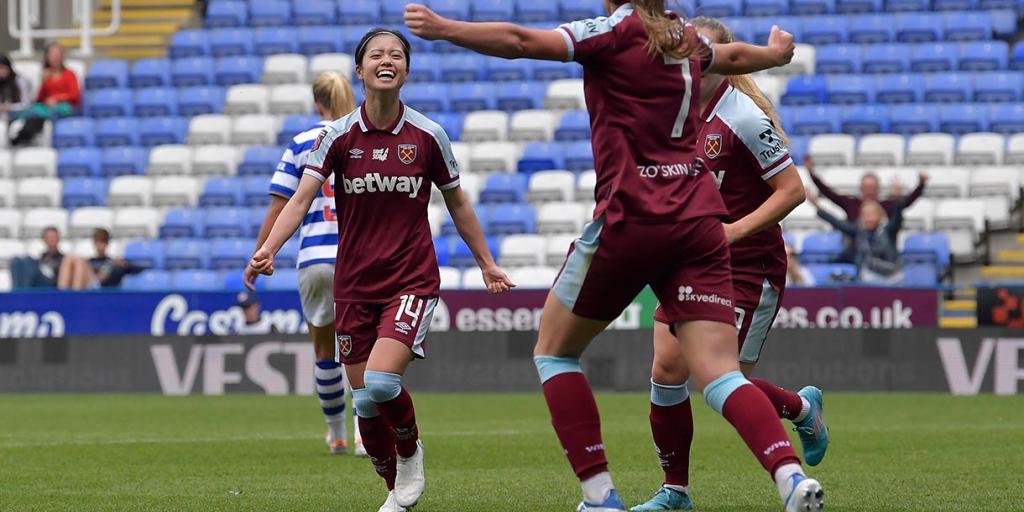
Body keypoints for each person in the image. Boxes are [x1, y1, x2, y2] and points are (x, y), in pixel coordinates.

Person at [405, 3, 824, 512]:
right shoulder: (682, 37)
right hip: (696, 226)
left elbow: (519, 41)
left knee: (554, 352)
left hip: (635, 218)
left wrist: (443, 28)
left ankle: (600, 495)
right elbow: (732, 54)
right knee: (715, 373)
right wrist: (776, 54)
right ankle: (788, 477)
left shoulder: (613, 33)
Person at [247, 28, 514, 512]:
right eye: (376, 54)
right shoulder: (336, 136)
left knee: (383, 383)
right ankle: (396, 493)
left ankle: (411, 453)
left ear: (406, 70)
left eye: (396, 54)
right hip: (353, 284)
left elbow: (458, 204)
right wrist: (269, 248)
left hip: (410, 280)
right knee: (366, 403)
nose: (386, 60)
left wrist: (487, 263)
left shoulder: (429, 136)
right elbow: (301, 199)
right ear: (361, 70)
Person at [633, 18, 828, 511]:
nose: (693, 62)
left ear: (725, 62)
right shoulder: (668, 113)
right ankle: (674, 491)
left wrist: (734, 231)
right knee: (666, 371)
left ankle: (801, 409)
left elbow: (793, 192)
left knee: (719, 380)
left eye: (705, 54)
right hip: (688, 262)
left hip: (746, 266)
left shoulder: (742, 115)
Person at [244, 71, 359, 456]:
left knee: (324, 351)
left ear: (317, 103)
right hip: (356, 257)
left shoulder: (301, 142)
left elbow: (281, 205)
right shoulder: (359, 136)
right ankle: (364, 434)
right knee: (363, 349)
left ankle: (336, 433)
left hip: (314, 258)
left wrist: (262, 252)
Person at [810, 192, 906, 285]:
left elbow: (897, 219)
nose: (868, 217)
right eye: (865, 214)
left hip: (892, 277)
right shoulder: (859, 231)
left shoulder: (888, 230)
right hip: (869, 278)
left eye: (872, 214)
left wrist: (898, 200)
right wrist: (817, 206)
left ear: (879, 215)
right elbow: (837, 223)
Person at [806, 156, 927, 221]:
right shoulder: (851, 204)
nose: (869, 191)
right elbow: (830, 194)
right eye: (867, 187)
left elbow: (907, 202)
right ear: (861, 189)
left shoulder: (887, 206)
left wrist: (920, 184)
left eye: (873, 188)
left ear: (878, 189)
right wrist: (812, 174)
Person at [11, 42, 80, 147]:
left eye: (57, 54)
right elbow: (40, 98)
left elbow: (74, 95)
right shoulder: (46, 75)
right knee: (34, 110)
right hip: (46, 108)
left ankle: (25, 135)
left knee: (41, 113)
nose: (55, 58)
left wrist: (56, 98)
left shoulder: (69, 74)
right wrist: (43, 81)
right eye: (52, 55)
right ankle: (25, 134)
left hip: (65, 107)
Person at [0, 55, 32, 121]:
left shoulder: (19, 81)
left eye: (3, 68)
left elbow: (26, 105)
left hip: (17, 116)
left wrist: (10, 107)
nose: (1, 71)